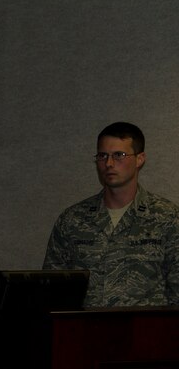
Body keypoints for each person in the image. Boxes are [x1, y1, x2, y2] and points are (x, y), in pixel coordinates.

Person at [43, 121, 179, 307]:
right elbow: (52, 292)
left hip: (144, 333)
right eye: (102, 155)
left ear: (140, 159)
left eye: (119, 155)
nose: (108, 163)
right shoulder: (72, 220)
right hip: (85, 332)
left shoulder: (167, 218)